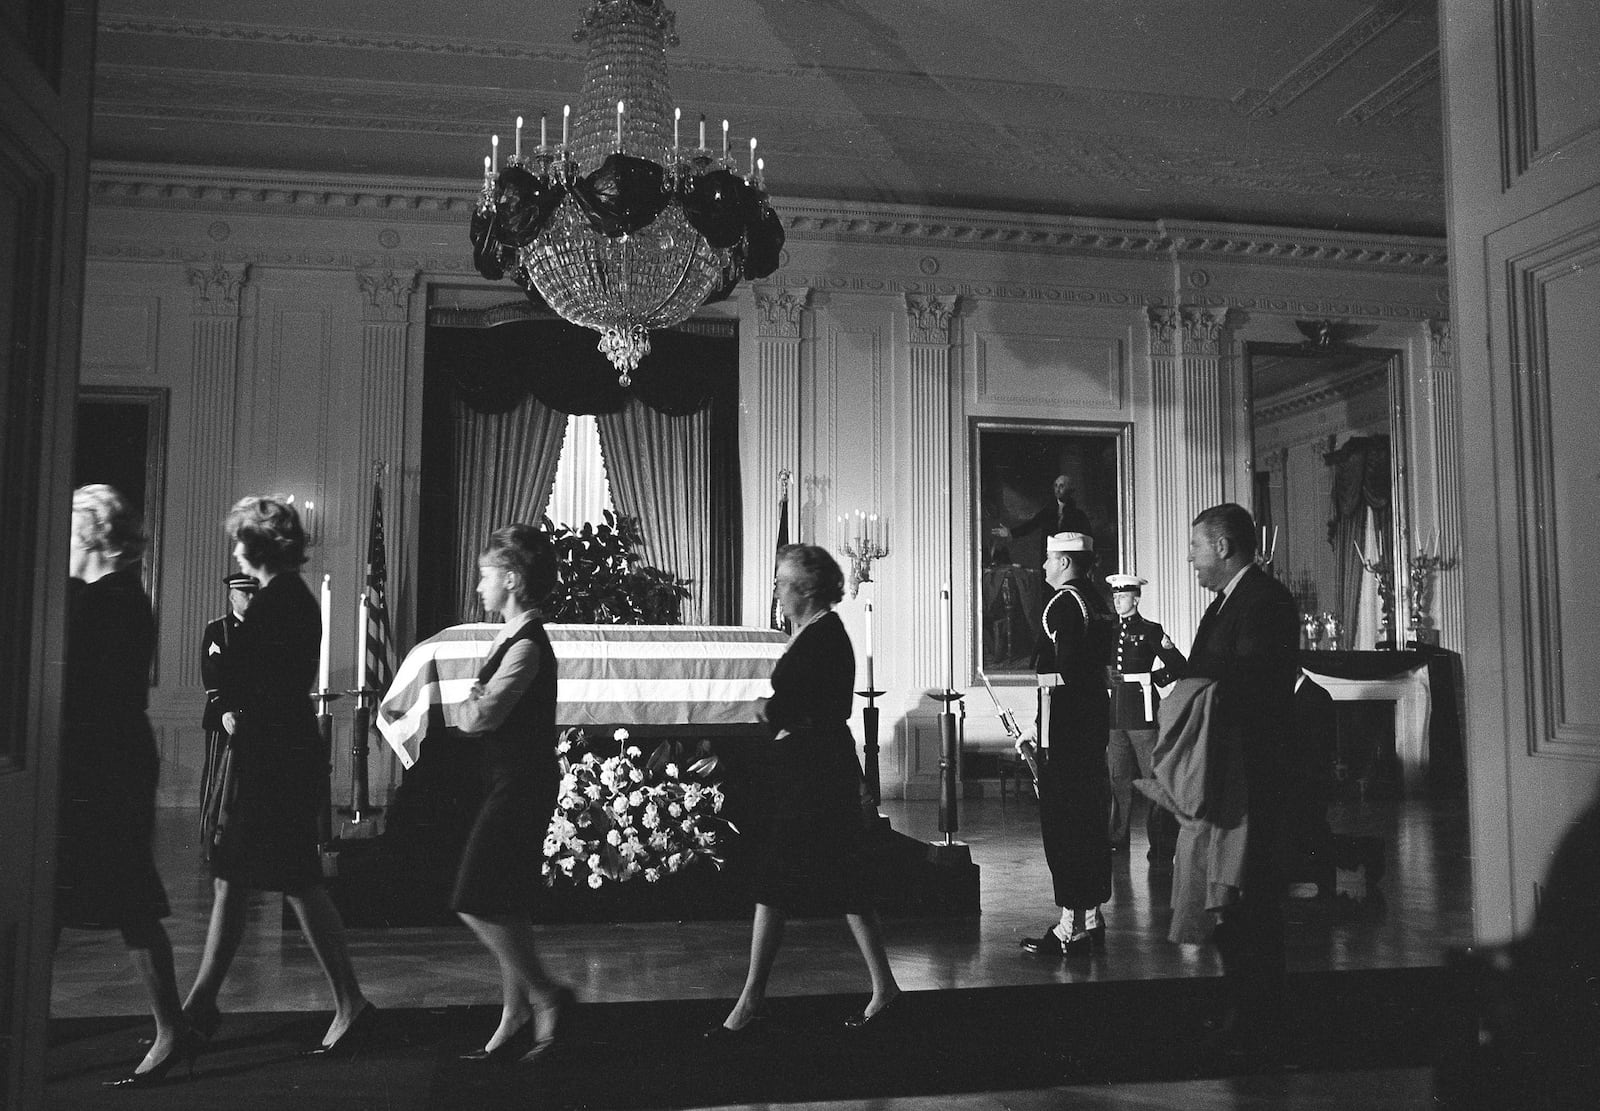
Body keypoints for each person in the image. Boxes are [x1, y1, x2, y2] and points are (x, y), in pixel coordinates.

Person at [182, 495, 373, 1055]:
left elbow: (240, 686)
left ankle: (202, 1008)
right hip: (280, 755)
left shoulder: (276, 604)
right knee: (263, 880)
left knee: (267, 879)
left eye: (241, 540)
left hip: (276, 760)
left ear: (259, 545)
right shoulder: (287, 598)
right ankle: (206, 1004)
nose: (236, 551)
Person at [711, 544, 901, 1036]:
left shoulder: (824, 636)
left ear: (807, 588)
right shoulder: (815, 633)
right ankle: (885, 988)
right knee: (842, 880)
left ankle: (751, 1003)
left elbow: (816, 707)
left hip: (816, 775)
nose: (775, 589)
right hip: (812, 771)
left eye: (781, 581)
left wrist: (769, 713)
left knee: (781, 880)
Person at [57, 485, 191, 1088]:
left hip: (105, 769)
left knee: (131, 902)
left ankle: (171, 1030)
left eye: (70, 524)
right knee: (49, 902)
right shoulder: (90, 597)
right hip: (88, 763)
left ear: (91, 533)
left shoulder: (111, 601)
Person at [452, 524, 575, 1066]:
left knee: (473, 899)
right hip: (513, 780)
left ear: (512, 579)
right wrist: (473, 703)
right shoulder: (512, 639)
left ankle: (545, 993)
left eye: (485, 575)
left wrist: (472, 702)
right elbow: (475, 711)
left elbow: (478, 717)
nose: (479, 585)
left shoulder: (525, 646)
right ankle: (514, 1016)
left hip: (521, 784)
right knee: (507, 900)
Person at [1184, 502, 1300, 1056]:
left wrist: (1194, 685)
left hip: (1252, 775)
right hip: (1223, 771)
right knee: (1225, 897)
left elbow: (1250, 680)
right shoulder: (1226, 603)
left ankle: (1259, 1021)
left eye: (1195, 547)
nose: (1192, 560)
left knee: (1250, 901)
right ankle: (1240, 1008)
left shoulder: (1266, 602)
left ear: (1224, 547)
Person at [1019, 532, 1117, 958]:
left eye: (1047, 560)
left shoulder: (1062, 604)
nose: (1043, 568)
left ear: (1063, 562)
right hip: (1093, 733)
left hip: (1065, 737)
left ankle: (1067, 930)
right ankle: (1092, 920)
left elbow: (1063, 676)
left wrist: (1041, 732)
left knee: (1065, 831)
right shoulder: (1099, 602)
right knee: (1092, 826)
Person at [1103, 573, 1186, 865]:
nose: (1117, 601)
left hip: (1142, 714)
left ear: (1136, 599)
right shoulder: (1109, 630)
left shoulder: (1151, 630)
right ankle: (1118, 836)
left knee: (1152, 780)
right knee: (1118, 779)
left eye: (1123, 596)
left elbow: (1178, 664)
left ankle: (1161, 844)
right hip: (1115, 715)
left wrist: (1149, 679)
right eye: (1114, 596)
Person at [198, 572, 256, 861]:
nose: (251, 598)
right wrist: (224, 712)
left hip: (254, 717)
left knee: (250, 780)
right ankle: (211, 840)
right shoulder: (218, 630)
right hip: (224, 717)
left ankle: (245, 841)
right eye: (245, 594)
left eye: (254, 593)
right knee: (216, 781)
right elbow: (211, 672)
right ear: (233, 597)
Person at [991, 474, 1093, 567]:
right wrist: (1010, 532)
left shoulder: (1078, 515)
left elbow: (1087, 540)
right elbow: (1031, 525)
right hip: (1050, 558)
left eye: (1061, 486)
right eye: (1056, 486)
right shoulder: (1048, 511)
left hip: (1069, 560)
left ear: (1070, 490)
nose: (1057, 489)